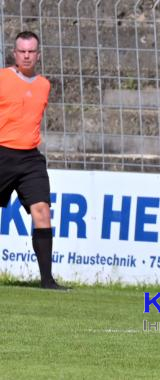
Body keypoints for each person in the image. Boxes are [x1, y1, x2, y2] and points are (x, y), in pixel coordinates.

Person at [0, 31, 66, 290]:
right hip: (2, 152)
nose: (26, 55)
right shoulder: (2, 78)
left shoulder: (44, 85)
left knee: (42, 212)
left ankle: (47, 281)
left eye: (31, 51)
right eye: (22, 51)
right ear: (14, 54)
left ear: (38, 54)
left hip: (30, 158)